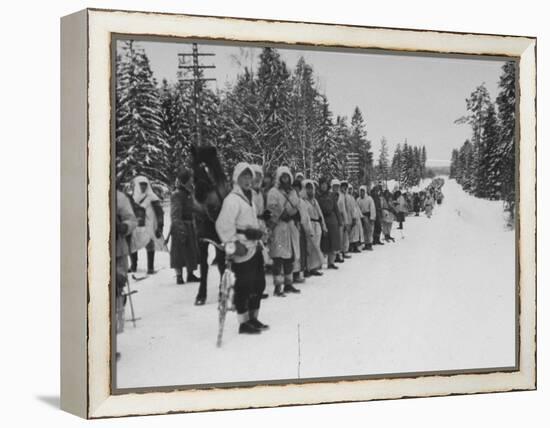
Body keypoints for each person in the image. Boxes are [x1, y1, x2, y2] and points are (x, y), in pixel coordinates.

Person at [215, 162, 268, 334]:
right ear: (236, 178)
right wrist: (234, 244)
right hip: (242, 247)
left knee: (259, 284)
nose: (247, 180)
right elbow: (223, 225)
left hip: (255, 245)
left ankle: (253, 317)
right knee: (244, 286)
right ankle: (243, 322)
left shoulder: (250, 198)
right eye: (243, 176)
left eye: (249, 176)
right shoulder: (232, 200)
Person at [266, 166, 301, 296]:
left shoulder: (292, 192)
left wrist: (294, 214)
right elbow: (271, 207)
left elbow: (297, 205)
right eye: (283, 177)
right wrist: (281, 213)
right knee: (278, 258)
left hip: (290, 227)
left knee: (289, 257)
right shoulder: (273, 192)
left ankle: (288, 283)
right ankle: (277, 286)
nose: (285, 179)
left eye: (287, 177)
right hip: (279, 226)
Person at [170, 166, 199, 286]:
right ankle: (179, 276)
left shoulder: (189, 192)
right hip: (180, 226)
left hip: (190, 225)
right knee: (178, 252)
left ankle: (190, 274)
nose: (192, 180)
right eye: (190, 178)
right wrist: (180, 229)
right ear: (186, 180)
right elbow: (175, 214)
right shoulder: (177, 194)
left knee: (190, 250)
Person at [129, 176, 165, 274]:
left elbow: (160, 212)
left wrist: (160, 226)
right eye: (141, 184)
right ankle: (133, 266)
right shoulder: (132, 197)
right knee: (133, 245)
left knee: (149, 244)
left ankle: (150, 268)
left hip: (149, 225)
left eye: (145, 184)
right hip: (136, 225)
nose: (143, 187)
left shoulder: (152, 197)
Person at [116, 189, 138, 343]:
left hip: (116, 249)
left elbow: (131, 220)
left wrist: (124, 227)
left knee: (117, 284)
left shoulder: (118, 197)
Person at [301, 179, 325, 276]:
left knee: (316, 246)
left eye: (311, 188)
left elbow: (320, 214)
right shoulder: (303, 201)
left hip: (316, 224)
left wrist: (323, 225)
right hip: (309, 223)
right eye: (308, 188)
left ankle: (314, 267)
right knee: (309, 247)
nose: (310, 191)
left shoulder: (315, 201)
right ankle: (307, 268)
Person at [317, 177, 342, 269]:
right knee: (323, 242)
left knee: (333, 242)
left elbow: (336, 208)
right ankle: (318, 263)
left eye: (325, 184)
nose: (323, 186)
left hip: (332, 220)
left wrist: (339, 221)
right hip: (322, 219)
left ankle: (331, 262)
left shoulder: (331, 195)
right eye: (322, 184)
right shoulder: (317, 196)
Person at [357, 185, 376, 251]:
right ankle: (365, 243)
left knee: (369, 231)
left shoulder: (369, 198)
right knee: (364, 231)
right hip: (361, 216)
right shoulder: (358, 199)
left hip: (368, 216)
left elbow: (372, 208)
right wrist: (360, 216)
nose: (362, 192)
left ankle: (370, 243)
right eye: (361, 191)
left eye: (363, 191)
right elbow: (357, 208)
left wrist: (372, 217)